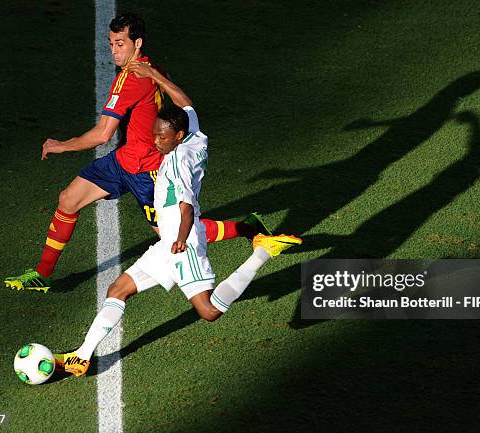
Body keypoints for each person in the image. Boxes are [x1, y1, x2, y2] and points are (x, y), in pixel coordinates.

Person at [55, 67, 302, 376]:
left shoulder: (176, 162)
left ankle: (263, 251)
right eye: (155, 134)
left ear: (177, 137)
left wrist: (182, 241)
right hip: (168, 241)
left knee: (209, 311)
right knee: (117, 290)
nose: (156, 141)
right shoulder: (195, 136)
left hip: (179, 242)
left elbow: (186, 207)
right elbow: (185, 102)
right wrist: (154, 75)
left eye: (162, 137)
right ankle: (82, 355)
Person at [4, 13, 269, 293]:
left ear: (137, 43)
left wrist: (61, 145)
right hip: (123, 161)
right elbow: (179, 101)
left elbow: (103, 134)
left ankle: (247, 228)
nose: (114, 51)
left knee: (177, 235)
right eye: (111, 43)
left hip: (149, 171)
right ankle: (43, 275)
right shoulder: (152, 68)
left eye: (120, 44)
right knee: (68, 200)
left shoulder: (130, 78)